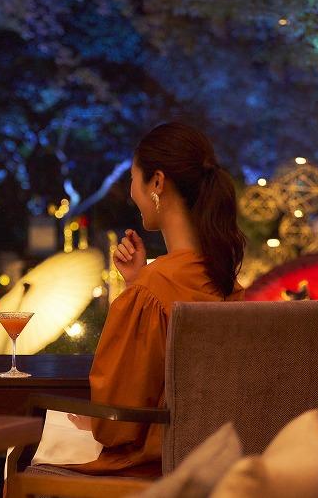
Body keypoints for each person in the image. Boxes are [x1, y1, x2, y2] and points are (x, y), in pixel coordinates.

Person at [68, 122, 246, 477]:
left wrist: (142, 287)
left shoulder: (151, 292)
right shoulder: (230, 287)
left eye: (133, 179)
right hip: (217, 464)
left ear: (157, 183)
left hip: (150, 469)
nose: (131, 191)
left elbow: (115, 425)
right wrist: (140, 282)